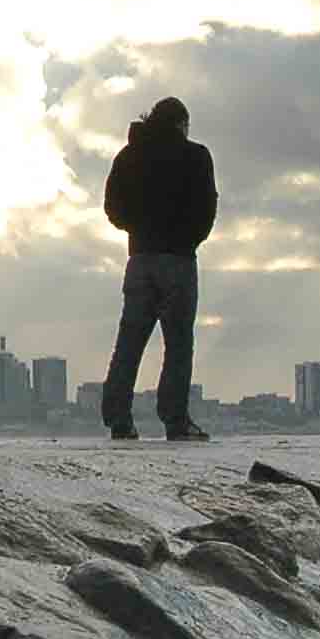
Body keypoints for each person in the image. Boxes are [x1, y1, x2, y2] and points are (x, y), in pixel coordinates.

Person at [100, 95, 219, 441]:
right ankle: (175, 420)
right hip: (179, 260)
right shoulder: (196, 156)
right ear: (182, 124)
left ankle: (118, 418)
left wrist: (137, 230)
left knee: (130, 340)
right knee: (178, 343)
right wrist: (190, 239)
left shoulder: (129, 155)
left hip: (139, 259)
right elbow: (207, 208)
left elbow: (111, 207)